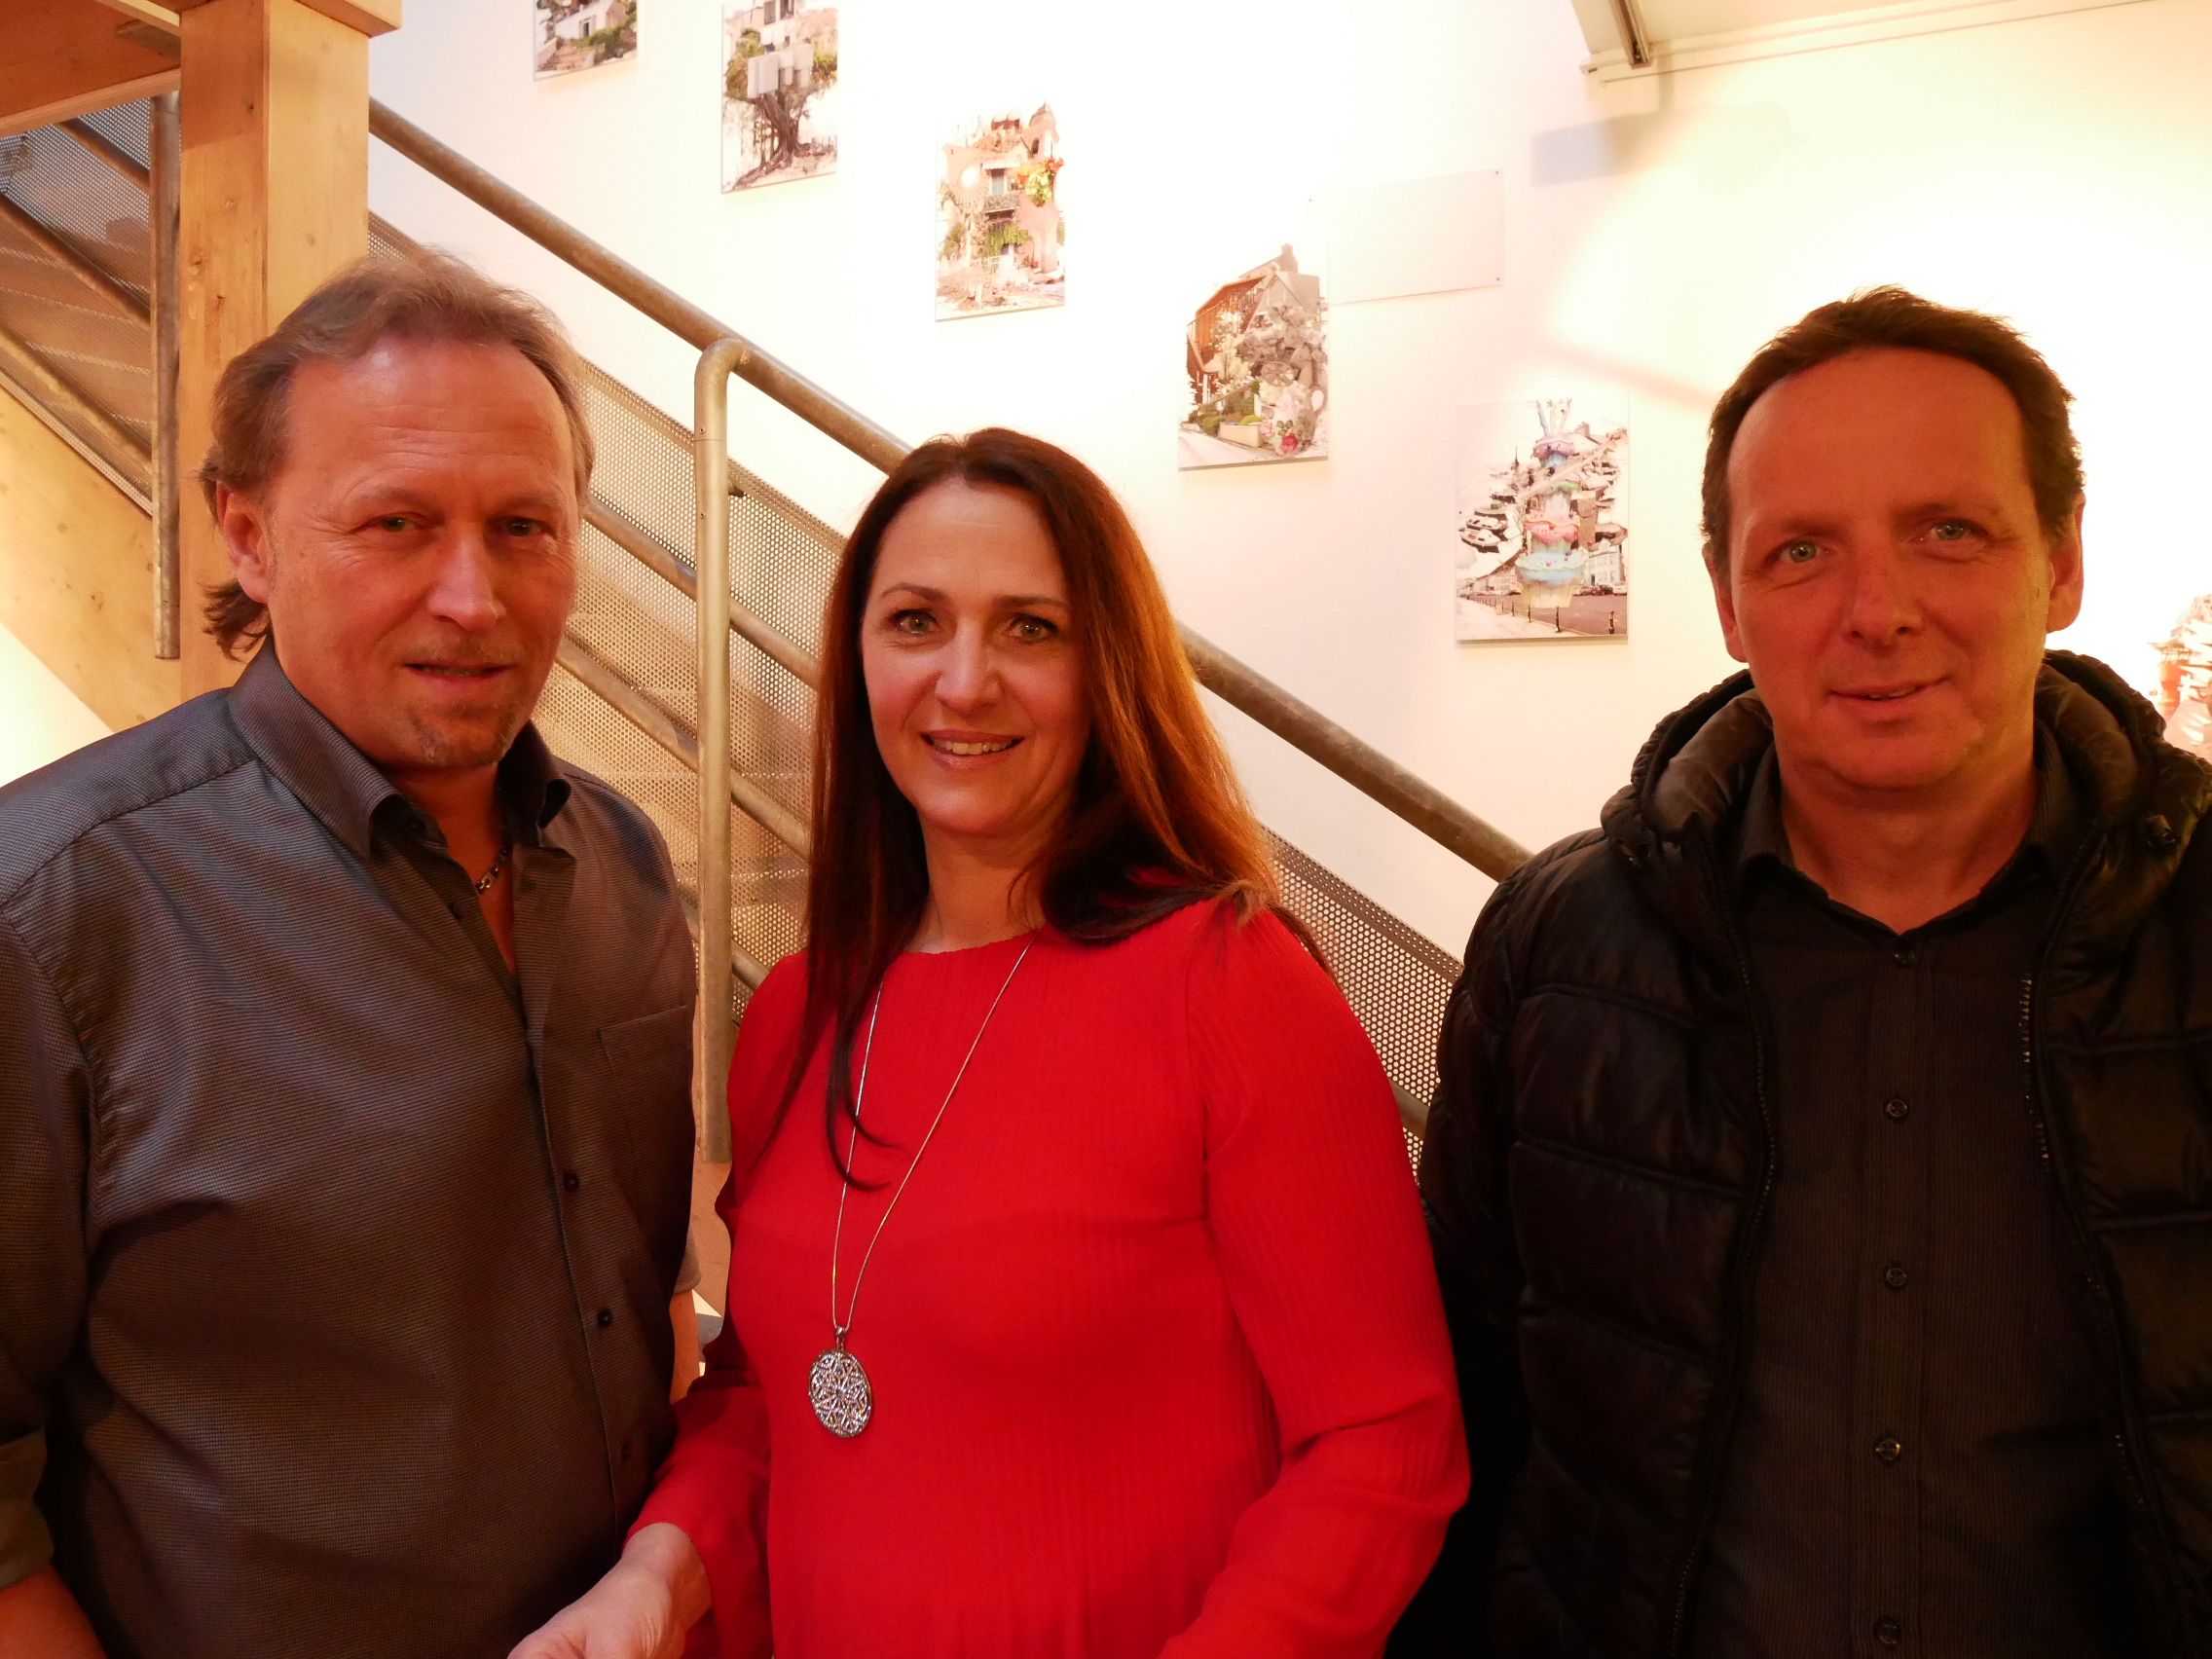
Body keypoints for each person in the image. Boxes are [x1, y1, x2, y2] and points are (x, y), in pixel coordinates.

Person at [515, 428, 1467, 1658]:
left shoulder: (1228, 985)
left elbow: (1382, 1440)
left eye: (1030, 628)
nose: (964, 682)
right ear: (858, 659)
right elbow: (771, 1395)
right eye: (916, 622)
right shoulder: (799, 1012)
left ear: (1106, 666)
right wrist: (658, 1572)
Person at [1395, 285, 2212, 1658]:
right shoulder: (1558, 949)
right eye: (1801, 552)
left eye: (1948, 532)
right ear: (1728, 602)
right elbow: (1465, 1403)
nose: (1876, 612)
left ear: (2063, 564)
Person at [0, 250, 702, 1658]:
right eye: (395, 524)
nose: (472, 596)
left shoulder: (622, 868)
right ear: (248, 536)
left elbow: (648, 1296)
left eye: (524, 526)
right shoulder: (58, 909)